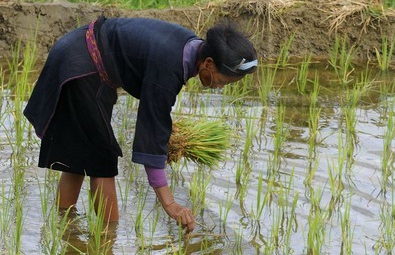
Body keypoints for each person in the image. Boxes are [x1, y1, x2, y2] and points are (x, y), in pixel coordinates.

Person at [24, 17, 258, 231]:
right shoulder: (170, 66)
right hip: (83, 67)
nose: (220, 87)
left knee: (78, 159)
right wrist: (169, 203)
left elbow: (155, 112)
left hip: (80, 55)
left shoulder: (187, 46)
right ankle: (108, 240)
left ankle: (64, 230)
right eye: (223, 81)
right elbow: (151, 130)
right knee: (102, 160)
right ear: (208, 62)